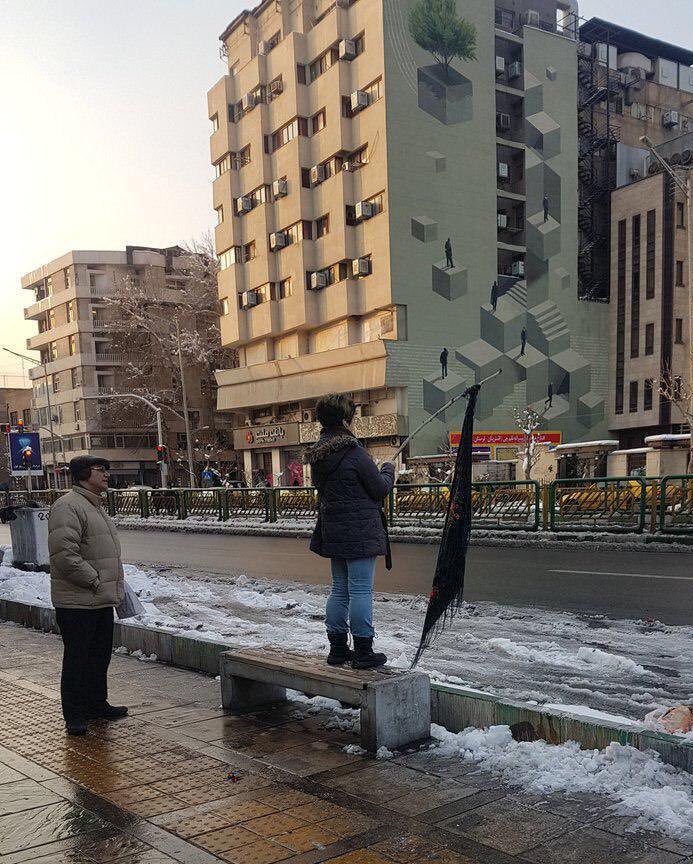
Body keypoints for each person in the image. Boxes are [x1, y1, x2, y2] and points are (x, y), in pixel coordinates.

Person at [305, 394, 395, 669]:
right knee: (360, 590)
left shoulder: (319, 456)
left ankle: (338, 649)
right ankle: (364, 650)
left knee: (340, 590)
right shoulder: (354, 452)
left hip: (334, 530)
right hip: (360, 532)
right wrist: (389, 471)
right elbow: (379, 488)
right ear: (345, 420)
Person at [48, 456, 127, 736]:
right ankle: (75, 714)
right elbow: (64, 556)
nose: (106, 475)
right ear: (83, 474)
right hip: (78, 600)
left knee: (98, 656)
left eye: (107, 469)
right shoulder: (68, 506)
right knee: (78, 659)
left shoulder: (93, 505)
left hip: (99, 598)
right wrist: (94, 581)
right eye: (100, 470)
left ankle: (96, 704)